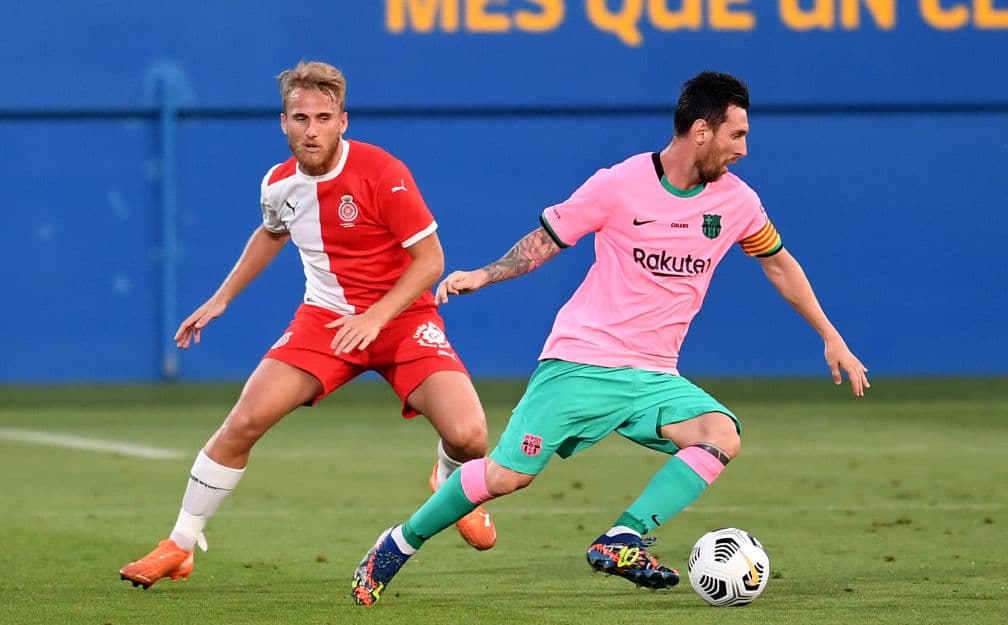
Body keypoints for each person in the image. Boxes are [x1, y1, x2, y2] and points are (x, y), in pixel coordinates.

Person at [350, 71, 870, 606]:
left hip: (654, 376)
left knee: (722, 432)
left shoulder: (737, 202)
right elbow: (546, 241)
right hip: (582, 362)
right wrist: (484, 274)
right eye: (736, 135)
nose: (744, 149)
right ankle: (396, 544)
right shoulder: (619, 183)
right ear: (700, 131)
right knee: (506, 477)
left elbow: (779, 264)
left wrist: (831, 337)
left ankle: (623, 536)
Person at [119, 60, 497, 589]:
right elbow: (271, 233)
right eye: (301, 118)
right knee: (244, 421)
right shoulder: (278, 184)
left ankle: (448, 479)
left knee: (470, 435)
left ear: (344, 120)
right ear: (284, 123)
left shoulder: (382, 172)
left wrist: (376, 317)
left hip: (402, 317)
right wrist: (221, 298)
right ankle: (179, 545)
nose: (311, 129)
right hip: (325, 321)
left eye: (323, 117)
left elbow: (431, 261)